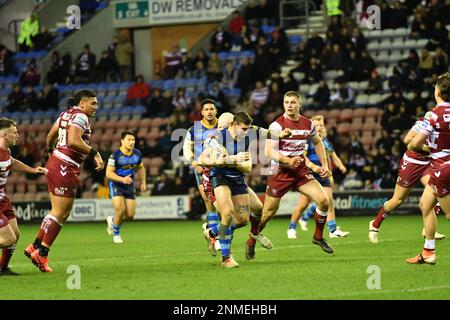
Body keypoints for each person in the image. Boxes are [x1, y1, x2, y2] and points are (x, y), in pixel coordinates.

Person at [245, 91, 333, 260]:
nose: (289, 105)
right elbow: (268, 151)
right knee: (268, 212)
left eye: (293, 102)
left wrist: (324, 164)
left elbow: (318, 142)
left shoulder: (308, 124)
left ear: (300, 104)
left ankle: (318, 237)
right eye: (286, 102)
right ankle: (251, 241)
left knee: (324, 201)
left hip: (299, 171)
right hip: (280, 172)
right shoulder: (277, 126)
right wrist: (287, 159)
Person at [24, 89, 104, 273]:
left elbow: (49, 137)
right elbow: (74, 140)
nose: (96, 107)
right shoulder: (81, 116)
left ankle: (35, 245)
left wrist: (52, 154)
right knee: (61, 213)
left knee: (58, 212)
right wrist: (94, 153)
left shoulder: (65, 114)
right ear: (82, 103)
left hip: (56, 163)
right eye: (93, 103)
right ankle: (42, 253)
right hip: (64, 166)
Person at [369, 117, 445, 244]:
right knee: (397, 200)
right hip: (412, 163)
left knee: (436, 190)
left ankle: (428, 230)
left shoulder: (444, 125)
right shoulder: (426, 120)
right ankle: (375, 224)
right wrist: (430, 148)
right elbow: (408, 140)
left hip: (427, 164)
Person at [196, 112, 253, 268]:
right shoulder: (218, 138)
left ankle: (212, 232)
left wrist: (232, 161)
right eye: (244, 128)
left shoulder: (247, 139)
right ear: (234, 125)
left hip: (238, 179)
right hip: (219, 177)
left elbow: (248, 167)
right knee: (227, 213)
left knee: (242, 220)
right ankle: (226, 258)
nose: (246, 132)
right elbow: (201, 159)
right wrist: (219, 161)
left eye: (248, 129)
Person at [406, 73, 450, 265]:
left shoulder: (433, 114)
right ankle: (428, 252)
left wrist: (425, 147)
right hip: (443, 168)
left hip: (442, 168)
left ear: (438, 92)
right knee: (425, 204)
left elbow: (414, 143)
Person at [287, 115, 349, 239]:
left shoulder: (324, 141)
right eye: (316, 125)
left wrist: (340, 164)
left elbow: (333, 155)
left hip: (323, 173)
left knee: (329, 201)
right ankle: (291, 227)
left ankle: (332, 230)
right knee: (303, 204)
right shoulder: (307, 140)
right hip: (309, 173)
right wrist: (312, 165)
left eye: (321, 125)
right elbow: (302, 156)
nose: (319, 127)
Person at [0, 118, 45, 276]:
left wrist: (33, 170)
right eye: (14, 133)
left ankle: (2, 268)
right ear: (5, 134)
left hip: (2, 199)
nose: (17, 135)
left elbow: (13, 163)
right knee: (8, 239)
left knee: (16, 235)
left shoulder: (7, 152)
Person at [182, 99, 220, 254]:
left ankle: (210, 228)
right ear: (202, 112)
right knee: (209, 201)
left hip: (220, 168)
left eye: (212, 108)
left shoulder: (223, 125)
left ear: (216, 111)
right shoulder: (194, 130)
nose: (210, 111)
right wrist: (194, 163)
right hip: (203, 170)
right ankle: (214, 238)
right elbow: (186, 149)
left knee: (223, 204)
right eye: (206, 109)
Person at [105, 131, 146, 244]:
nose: (131, 142)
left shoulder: (137, 154)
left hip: (129, 186)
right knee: (120, 209)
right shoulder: (115, 155)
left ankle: (112, 220)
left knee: (130, 215)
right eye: (129, 140)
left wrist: (143, 182)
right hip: (116, 184)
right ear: (122, 141)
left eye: (133, 140)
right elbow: (108, 173)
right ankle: (116, 234)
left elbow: (141, 167)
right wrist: (122, 179)